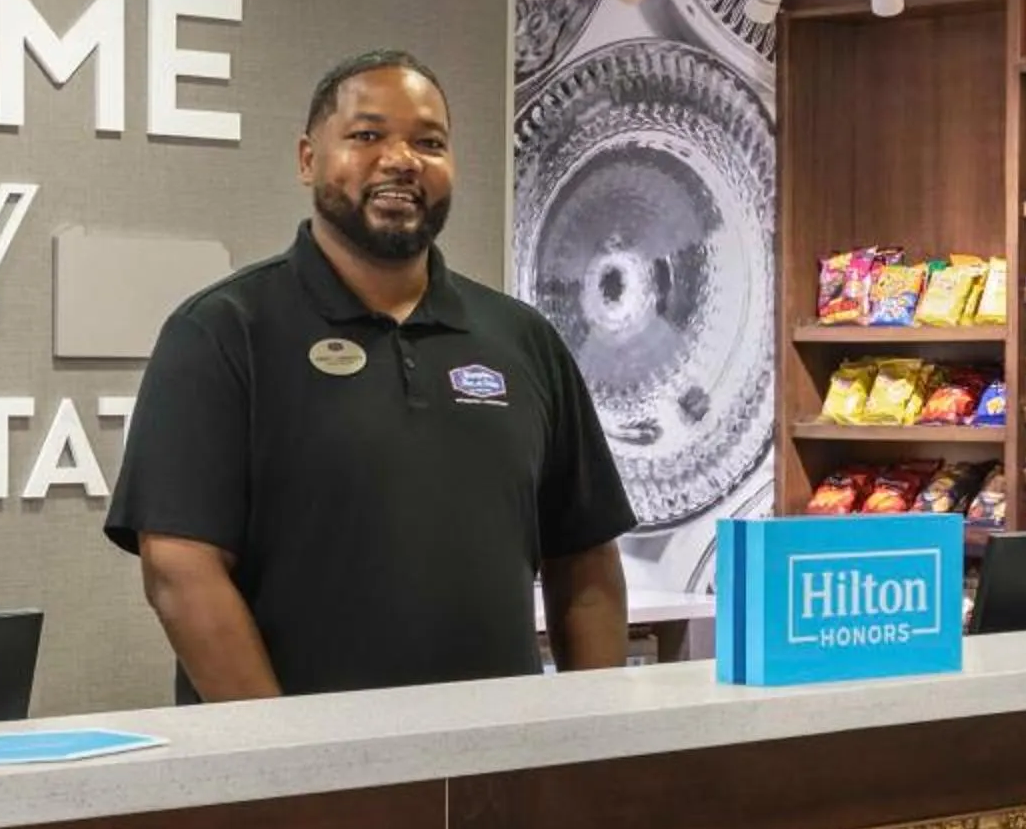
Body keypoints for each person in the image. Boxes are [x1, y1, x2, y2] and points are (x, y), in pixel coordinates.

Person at [106, 48, 634, 701]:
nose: (401, 159)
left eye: (429, 142)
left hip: (500, 770)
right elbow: (180, 572)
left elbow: (585, 562)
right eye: (366, 135)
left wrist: (597, 742)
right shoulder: (222, 333)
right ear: (308, 159)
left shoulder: (521, 340)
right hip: (306, 783)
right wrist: (290, 766)